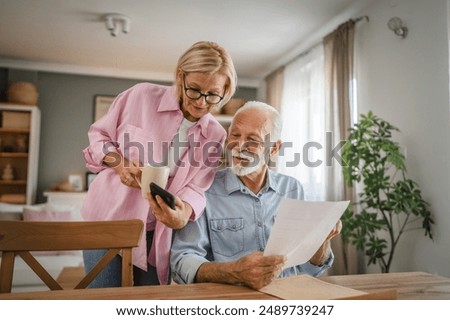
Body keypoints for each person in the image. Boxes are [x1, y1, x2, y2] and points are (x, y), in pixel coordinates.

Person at [81, 41, 237, 286]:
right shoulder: (140, 97)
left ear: (225, 90)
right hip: (108, 221)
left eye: (213, 95)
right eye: (194, 90)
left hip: (158, 233)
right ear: (180, 76)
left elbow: (196, 189)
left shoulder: (216, 135)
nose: (201, 102)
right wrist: (121, 165)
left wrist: (182, 215)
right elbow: (98, 137)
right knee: (103, 304)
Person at [170, 101, 342, 290]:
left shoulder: (293, 188)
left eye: (252, 139)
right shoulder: (203, 189)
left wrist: (322, 240)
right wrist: (234, 271)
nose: (239, 145)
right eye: (235, 135)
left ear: (274, 148)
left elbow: (310, 268)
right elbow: (182, 260)